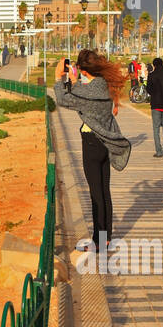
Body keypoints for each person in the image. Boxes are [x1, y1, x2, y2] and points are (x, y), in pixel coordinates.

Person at [53, 49, 131, 252]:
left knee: (95, 194)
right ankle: (106, 238)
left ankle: (98, 242)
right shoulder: (105, 86)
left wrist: (58, 77)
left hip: (92, 144)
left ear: (82, 69)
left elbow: (63, 99)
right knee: (104, 191)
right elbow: (82, 96)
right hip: (106, 144)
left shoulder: (86, 91)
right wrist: (76, 80)